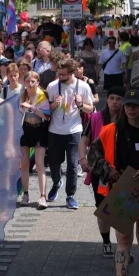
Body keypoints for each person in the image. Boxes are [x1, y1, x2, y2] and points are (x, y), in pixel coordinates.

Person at [87, 90, 139, 276]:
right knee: (124, 240)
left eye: (135, 105)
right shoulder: (111, 131)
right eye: (128, 105)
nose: (131, 109)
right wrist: (108, 171)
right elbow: (93, 154)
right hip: (123, 189)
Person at [79, 87, 124, 259]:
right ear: (107, 100)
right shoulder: (96, 118)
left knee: (120, 210)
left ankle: (123, 246)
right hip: (100, 171)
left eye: (118, 98)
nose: (114, 102)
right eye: (111, 98)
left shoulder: (128, 119)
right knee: (104, 208)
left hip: (122, 172)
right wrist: (83, 160)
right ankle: (106, 242)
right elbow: (84, 140)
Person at [46, 59, 94, 209]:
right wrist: (54, 104)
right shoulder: (52, 86)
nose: (59, 76)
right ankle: (56, 183)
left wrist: (81, 104)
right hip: (55, 131)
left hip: (74, 130)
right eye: (58, 74)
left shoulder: (84, 87)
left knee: (73, 165)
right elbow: (47, 110)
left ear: (72, 73)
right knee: (54, 163)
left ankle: (70, 196)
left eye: (63, 74)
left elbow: (91, 109)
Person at [18, 72, 51, 209]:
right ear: (24, 82)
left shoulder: (42, 95)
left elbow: (47, 116)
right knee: (24, 164)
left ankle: (42, 196)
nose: (30, 84)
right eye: (28, 81)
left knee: (39, 164)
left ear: (37, 82)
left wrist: (32, 107)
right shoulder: (21, 94)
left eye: (33, 81)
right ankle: (25, 195)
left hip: (39, 129)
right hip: (25, 129)